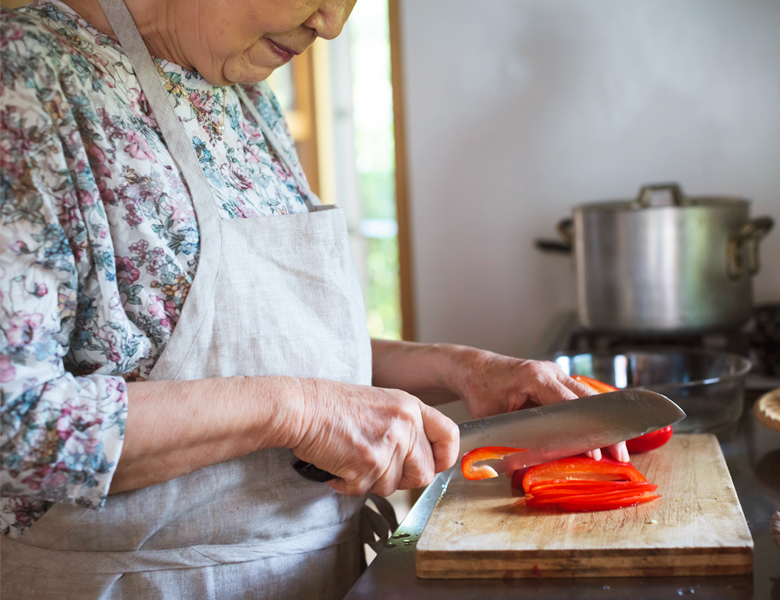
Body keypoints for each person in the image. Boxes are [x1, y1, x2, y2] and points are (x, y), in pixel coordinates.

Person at [0, 0, 629, 598]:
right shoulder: (24, 83)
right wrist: (299, 413)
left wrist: (461, 369)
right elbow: (16, 426)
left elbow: (275, 336)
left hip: (317, 576)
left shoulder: (242, 90)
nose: (331, 25)